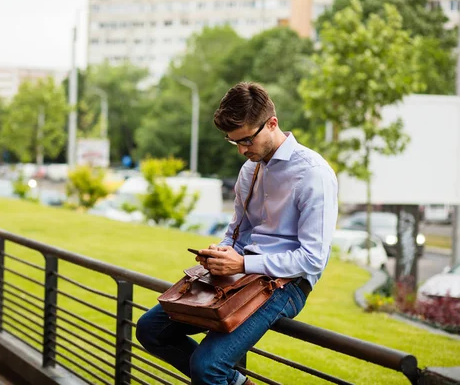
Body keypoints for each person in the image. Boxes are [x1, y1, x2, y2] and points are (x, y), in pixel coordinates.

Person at [136, 82, 338, 385]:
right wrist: (221, 251)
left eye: (246, 140)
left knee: (207, 367)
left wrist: (242, 265)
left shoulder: (313, 173)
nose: (242, 150)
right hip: (241, 274)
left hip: (286, 285)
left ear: (272, 123)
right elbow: (236, 234)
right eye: (235, 143)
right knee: (150, 330)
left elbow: (312, 259)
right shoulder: (250, 169)